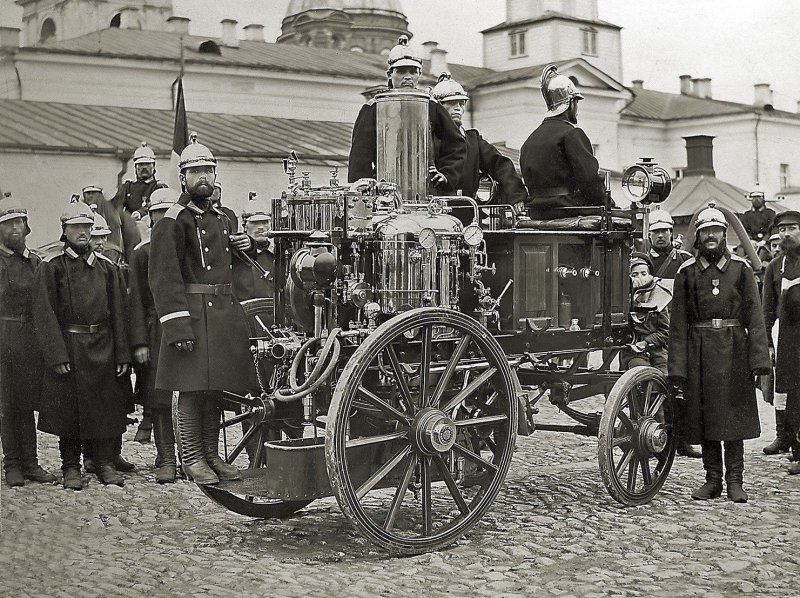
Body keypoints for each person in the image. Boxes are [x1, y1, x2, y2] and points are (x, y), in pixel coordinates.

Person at [149, 133, 253, 485]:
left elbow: (228, 262)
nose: (203, 178)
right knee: (192, 391)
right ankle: (192, 457)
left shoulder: (222, 218)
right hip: (192, 315)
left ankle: (212, 454)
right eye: (195, 172)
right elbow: (164, 279)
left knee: (215, 389)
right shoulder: (172, 220)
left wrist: (249, 241)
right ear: (182, 178)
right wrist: (177, 328)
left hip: (221, 314)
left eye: (208, 170)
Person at [668, 207, 771, 503]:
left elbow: (755, 317)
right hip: (699, 349)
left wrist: (760, 361)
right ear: (698, 236)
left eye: (716, 230)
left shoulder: (741, 269)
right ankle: (712, 480)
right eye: (705, 231)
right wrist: (677, 367)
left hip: (734, 348)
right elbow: (677, 324)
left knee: (732, 416)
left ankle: (735, 480)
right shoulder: (686, 273)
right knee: (706, 417)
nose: (711, 236)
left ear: (725, 235)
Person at [33, 200, 131, 489]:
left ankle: (102, 463)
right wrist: (55, 354)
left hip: (103, 344)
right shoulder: (52, 267)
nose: (83, 232)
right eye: (76, 227)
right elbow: (44, 313)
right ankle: (70, 466)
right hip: (70, 346)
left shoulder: (107, 268)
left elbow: (119, 313)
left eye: (87, 226)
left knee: (104, 407)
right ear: (64, 230)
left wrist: (122, 353)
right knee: (70, 411)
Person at [348, 36, 466, 192]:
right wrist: (365, 192)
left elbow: (456, 145)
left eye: (413, 71)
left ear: (420, 74)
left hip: (428, 191)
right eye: (401, 71)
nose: (408, 76)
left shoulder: (431, 106)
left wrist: (447, 175)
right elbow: (360, 157)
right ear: (390, 74)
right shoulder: (373, 108)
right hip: (384, 192)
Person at [0, 194, 57, 487]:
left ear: (27, 226)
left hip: (30, 341)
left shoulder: (36, 262)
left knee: (26, 402)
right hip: (3, 340)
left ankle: (31, 463)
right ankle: (12, 464)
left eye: (18, 222)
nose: (14, 229)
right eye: (7, 223)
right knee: (7, 404)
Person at [129, 187, 182, 483]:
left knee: (189, 394)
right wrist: (139, 342)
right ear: (150, 219)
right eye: (157, 215)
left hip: (187, 327)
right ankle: (166, 457)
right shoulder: (141, 254)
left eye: (168, 215)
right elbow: (135, 301)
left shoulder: (188, 251)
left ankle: (190, 456)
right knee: (159, 396)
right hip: (156, 330)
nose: (163, 221)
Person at [80, 212, 136, 475]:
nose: (100, 243)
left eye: (104, 237)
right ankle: (91, 456)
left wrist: (123, 350)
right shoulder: (89, 267)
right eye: (95, 237)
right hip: (93, 342)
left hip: (113, 342)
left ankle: (113, 453)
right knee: (93, 403)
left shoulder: (114, 265)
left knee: (117, 402)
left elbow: (121, 310)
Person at [430, 72, 528, 213]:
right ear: (438, 108)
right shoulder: (428, 140)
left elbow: (501, 165)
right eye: (451, 103)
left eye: (461, 103)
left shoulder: (473, 140)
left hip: (469, 211)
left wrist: (517, 196)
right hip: (436, 211)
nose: (458, 108)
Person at [519, 64, 606, 215]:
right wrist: (608, 203)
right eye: (576, 102)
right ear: (570, 103)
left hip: (536, 212)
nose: (577, 109)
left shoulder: (529, 140)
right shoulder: (572, 134)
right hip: (566, 209)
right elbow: (589, 182)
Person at [762, 210, 800, 473]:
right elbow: (767, 309)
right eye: (783, 229)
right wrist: (767, 343)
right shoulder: (776, 267)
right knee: (793, 395)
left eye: (793, 228)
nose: (787, 234)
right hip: (788, 338)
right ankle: (797, 451)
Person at [620, 253, 671, 373]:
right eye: (635, 274)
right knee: (641, 373)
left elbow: (665, 332)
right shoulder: (621, 300)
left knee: (664, 376)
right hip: (633, 352)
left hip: (657, 351)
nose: (640, 277)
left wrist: (647, 342)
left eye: (644, 273)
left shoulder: (659, 299)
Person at [82, 185, 141, 266]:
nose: (90, 196)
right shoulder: (81, 212)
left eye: (93, 193)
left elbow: (130, 236)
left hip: (112, 251)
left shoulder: (112, 211)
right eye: (88, 193)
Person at [112, 142, 161, 221]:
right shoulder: (128, 187)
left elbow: (154, 205)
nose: (144, 167)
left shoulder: (159, 187)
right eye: (141, 164)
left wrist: (140, 213)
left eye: (147, 164)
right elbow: (115, 205)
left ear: (154, 166)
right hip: (130, 226)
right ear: (135, 167)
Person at [647, 209, 693, 287]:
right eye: (656, 231)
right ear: (649, 235)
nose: (660, 235)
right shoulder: (644, 261)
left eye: (664, 231)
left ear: (671, 233)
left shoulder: (685, 259)